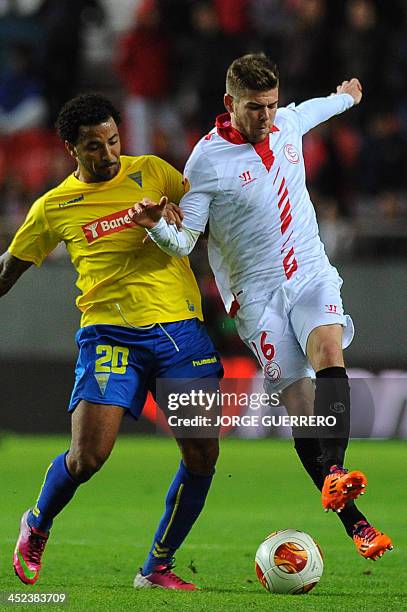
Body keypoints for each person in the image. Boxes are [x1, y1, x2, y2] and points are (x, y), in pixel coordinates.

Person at [132, 53, 393, 561]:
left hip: (310, 271)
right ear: (229, 104)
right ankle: (356, 523)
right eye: (255, 108)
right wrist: (155, 226)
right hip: (255, 295)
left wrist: (347, 96)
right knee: (300, 408)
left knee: (328, 350)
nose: (267, 118)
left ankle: (336, 472)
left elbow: (314, 109)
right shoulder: (205, 162)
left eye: (272, 106)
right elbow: (185, 241)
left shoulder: (287, 122)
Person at [1, 93, 223, 590]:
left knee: (203, 457)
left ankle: (157, 567)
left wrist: (173, 221)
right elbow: (7, 271)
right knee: (88, 458)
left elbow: (203, 224)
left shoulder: (153, 171)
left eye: (113, 141)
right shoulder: (53, 206)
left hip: (181, 332)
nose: (108, 155)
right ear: (70, 149)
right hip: (110, 335)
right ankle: (37, 523)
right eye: (94, 147)